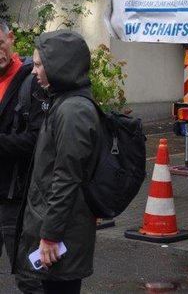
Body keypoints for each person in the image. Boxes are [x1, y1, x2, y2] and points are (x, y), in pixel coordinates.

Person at [14, 30, 101, 294]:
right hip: (55, 229)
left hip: (60, 236)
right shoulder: (64, 103)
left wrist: (50, 235)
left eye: (39, 65)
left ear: (59, 66)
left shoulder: (73, 110)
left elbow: (66, 177)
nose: (33, 71)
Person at [0, 19, 44, 294]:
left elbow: (39, 140)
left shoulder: (31, 81)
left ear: (11, 38)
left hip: (16, 198)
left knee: (29, 276)